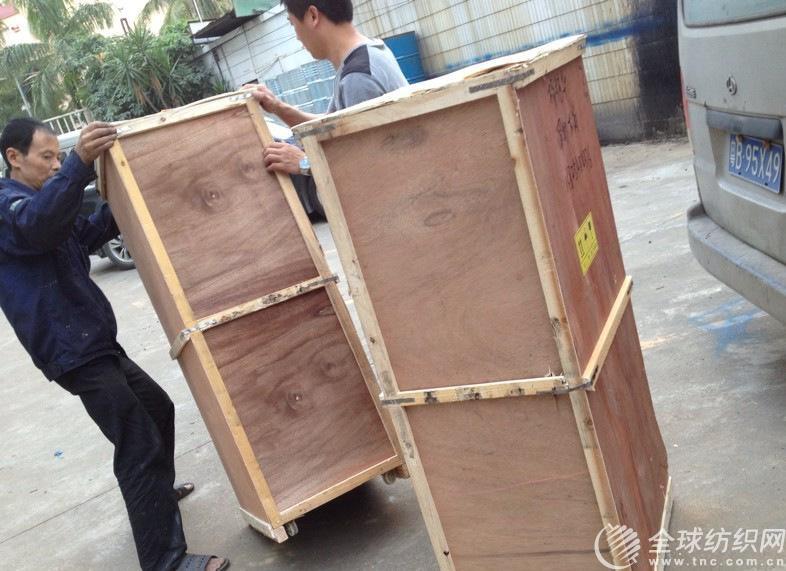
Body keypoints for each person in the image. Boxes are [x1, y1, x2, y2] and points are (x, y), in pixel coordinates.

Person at [0, 118, 229, 571]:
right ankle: (165, 561)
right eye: (47, 157)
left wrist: (126, 191)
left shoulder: (43, 201)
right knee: (137, 442)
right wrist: (79, 164)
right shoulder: (10, 206)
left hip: (92, 341)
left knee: (157, 409)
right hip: (70, 349)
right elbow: (39, 227)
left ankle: (155, 499)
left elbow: (84, 235)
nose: (56, 164)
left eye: (59, 156)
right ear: (14, 157)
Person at [248, 0, 408, 178]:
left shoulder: (357, 77)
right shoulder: (367, 54)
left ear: (313, 16)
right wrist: (277, 107)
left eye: (292, 24)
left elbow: (369, 170)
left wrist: (305, 162)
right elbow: (328, 125)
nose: (297, 37)